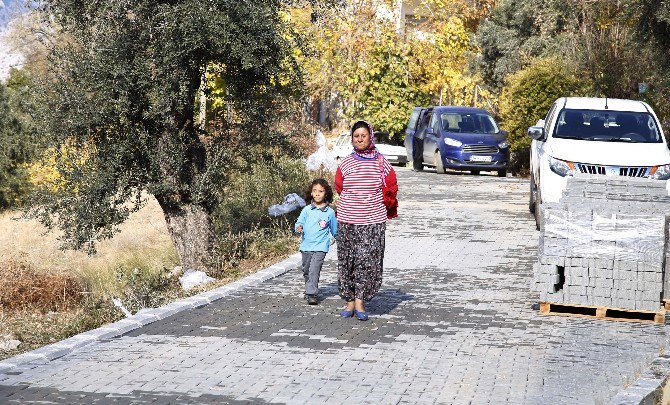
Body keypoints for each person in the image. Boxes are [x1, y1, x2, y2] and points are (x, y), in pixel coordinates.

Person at [334, 120, 398, 321]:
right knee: (347, 261)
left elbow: (391, 186)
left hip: (372, 221)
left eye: (363, 135)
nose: (360, 139)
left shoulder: (381, 162)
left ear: (370, 136)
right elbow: (339, 186)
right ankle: (349, 301)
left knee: (367, 261)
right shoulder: (346, 162)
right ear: (352, 139)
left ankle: (361, 301)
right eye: (356, 136)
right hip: (347, 220)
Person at [294, 178, 338, 305]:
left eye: (321, 191)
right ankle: (309, 288)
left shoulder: (329, 212)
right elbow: (299, 223)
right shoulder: (307, 210)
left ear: (326, 194)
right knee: (306, 270)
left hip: (321, 247)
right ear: (311, 193)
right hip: (306, 246)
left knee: (314, 269)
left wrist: (337, 238)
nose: (317, 194)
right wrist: (298, 228)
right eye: (315, 191)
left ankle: (312, 294)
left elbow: (334, 229)